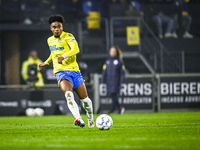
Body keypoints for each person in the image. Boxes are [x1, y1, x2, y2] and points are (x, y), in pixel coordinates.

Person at [38, 14, 94, 128]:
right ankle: (78, 119)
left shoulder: (69, 36)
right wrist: (46, 62)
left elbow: (76, 49)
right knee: (68, 94)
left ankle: (90, 118)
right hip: (61, 71)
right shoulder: (49, 40)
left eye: (59, 26)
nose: (57, 29)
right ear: (51, 28)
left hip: (74, 71)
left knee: (86, 101)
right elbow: (53, 54)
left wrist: (64, 56)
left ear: (62, 27)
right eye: (54, 27)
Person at [101, 46, 126, 114]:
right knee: (112, 95)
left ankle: (112, 110)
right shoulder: (107, 61)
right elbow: (104, 72)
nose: (112, 52)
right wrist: (102, 81)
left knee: (113, 94)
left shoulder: (119, 61)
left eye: (113, 51)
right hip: (109, 81)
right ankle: (120, 108)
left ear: (116, 52)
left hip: (116, 81)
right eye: (111, 51)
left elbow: (122, 73)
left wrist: (122, 81)